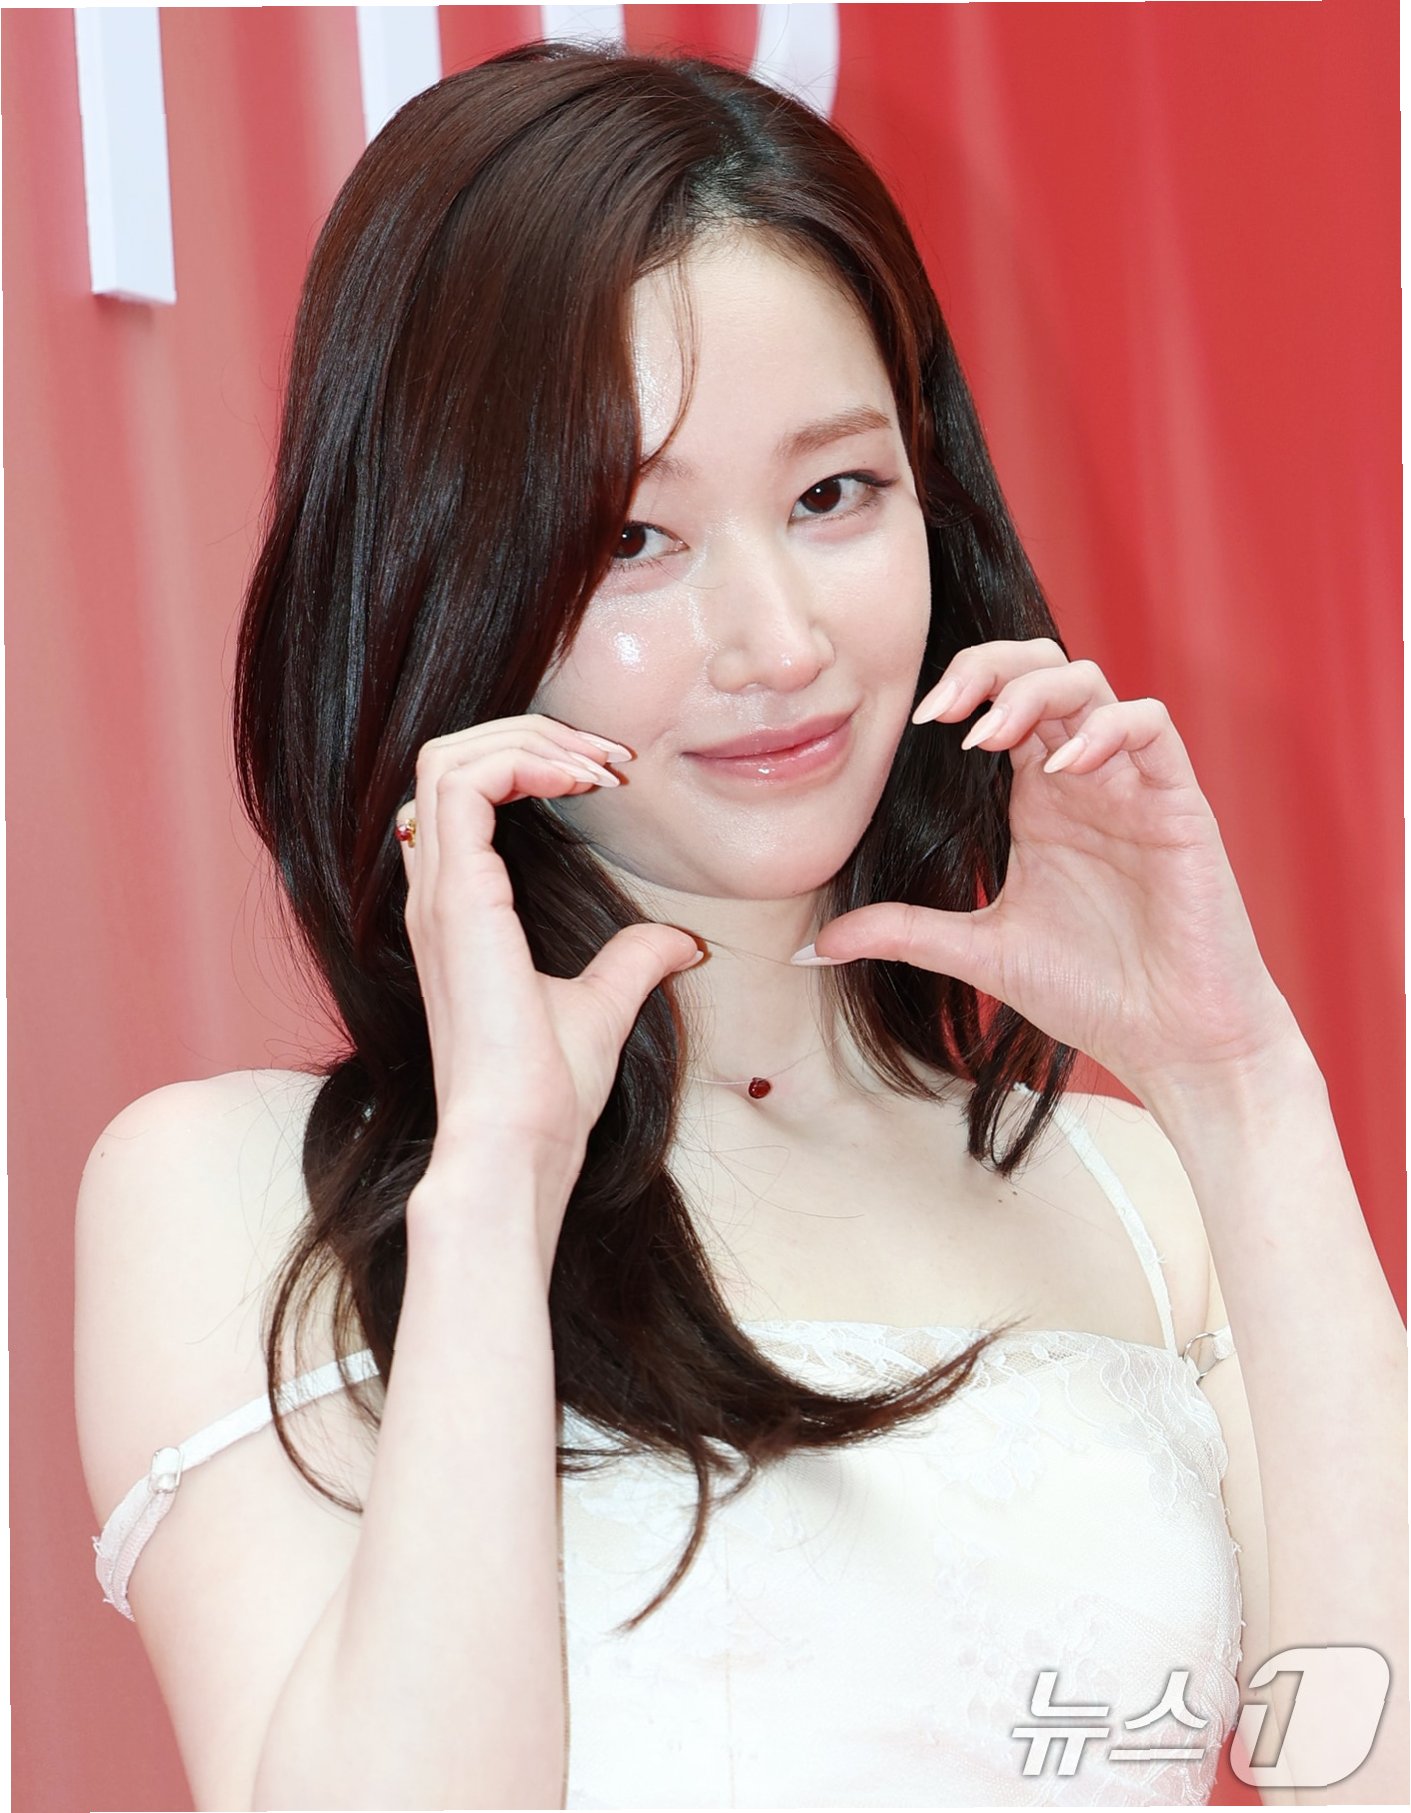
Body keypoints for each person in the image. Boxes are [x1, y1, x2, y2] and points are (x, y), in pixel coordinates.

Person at [74, 39, 1406, 1813]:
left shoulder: (1140, 1195)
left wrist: (1240, 1088)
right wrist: (493, 1195)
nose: (780, 642)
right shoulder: (237, 1197)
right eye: (634, 534)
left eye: (834, 495)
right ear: (442, 569)